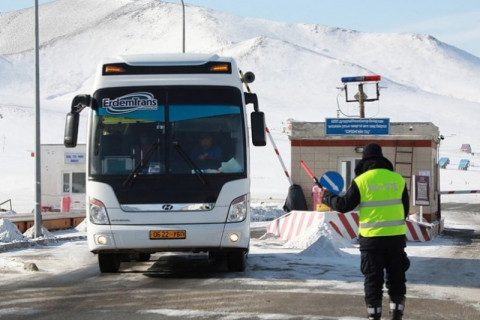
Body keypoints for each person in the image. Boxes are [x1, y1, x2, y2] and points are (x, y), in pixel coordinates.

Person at [320, 143, 410, 320]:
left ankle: (374, 316)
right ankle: (397, 314)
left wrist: (326, 196)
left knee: (373, 279)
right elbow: (405, 209)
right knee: (396, 277)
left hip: (372, 240)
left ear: (365, 161)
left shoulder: (362, 181)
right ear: (382, 159)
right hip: (396, 239)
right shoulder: (398, 180)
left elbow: (344, 206)